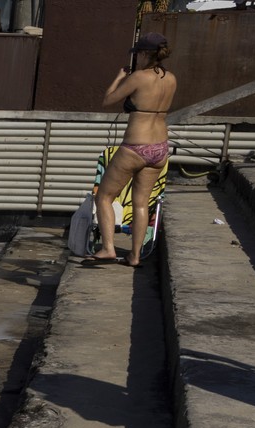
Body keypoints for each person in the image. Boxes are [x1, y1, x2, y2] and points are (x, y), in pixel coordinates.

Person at [91, 32, 177, 267]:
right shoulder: (171, 78)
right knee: (141, 203)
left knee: (105, 196)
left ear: (146, 54)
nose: (136, 57)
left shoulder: (138, 77)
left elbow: (108, 100)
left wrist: (119, 78)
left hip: (135, 147)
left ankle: (108, 248)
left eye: (138, 53)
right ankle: (135, 256)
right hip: (159, 148)